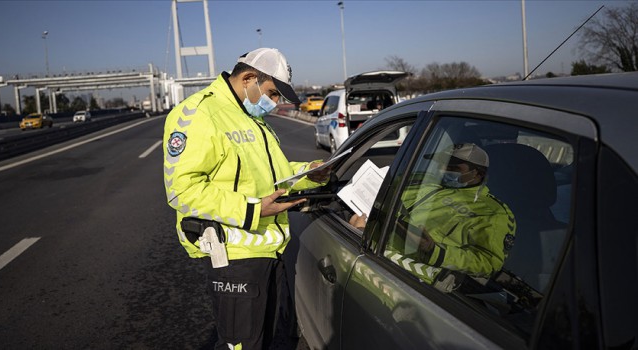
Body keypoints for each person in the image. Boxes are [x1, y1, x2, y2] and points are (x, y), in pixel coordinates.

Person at [163, 48, 329, 350]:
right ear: (249, 78)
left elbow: (271, 176)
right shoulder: (197, 114)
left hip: (269, 249)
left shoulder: (250, 117)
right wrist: (252, 209)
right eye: (273, 93)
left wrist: (309, 172)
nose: (275, 103)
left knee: (261, 342)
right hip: (234, 254)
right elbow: (182, 190)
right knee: (241, 346)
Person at [349, 143, 516, 286]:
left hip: (407, 279)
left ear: (477, 174)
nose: (443, 170)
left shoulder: (494, 213)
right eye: (442, 164)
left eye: (453, 167)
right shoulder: (419, 179)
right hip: (367, 250)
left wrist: (434, 251)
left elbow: (488, 263)